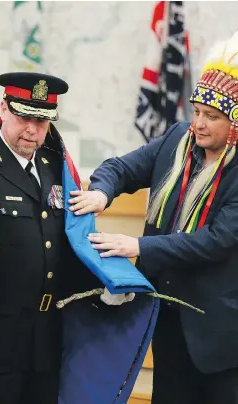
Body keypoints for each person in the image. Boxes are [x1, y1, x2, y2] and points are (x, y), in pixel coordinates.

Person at [69, 31, 238, 404]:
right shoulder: (178, 138)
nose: (199, 124)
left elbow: (217, 240)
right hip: (166, 318)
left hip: (222, 337)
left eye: (212, 117)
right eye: (196, 112)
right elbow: (122, 167)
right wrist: (101, 191)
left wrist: (137, 245)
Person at [0, 72, 112, 404]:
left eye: (42, 121)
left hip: (46, 334)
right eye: (24, 117)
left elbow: (66, 243)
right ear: (3, 109)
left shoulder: (54, 166)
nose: (32, 129)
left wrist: (105, 281)